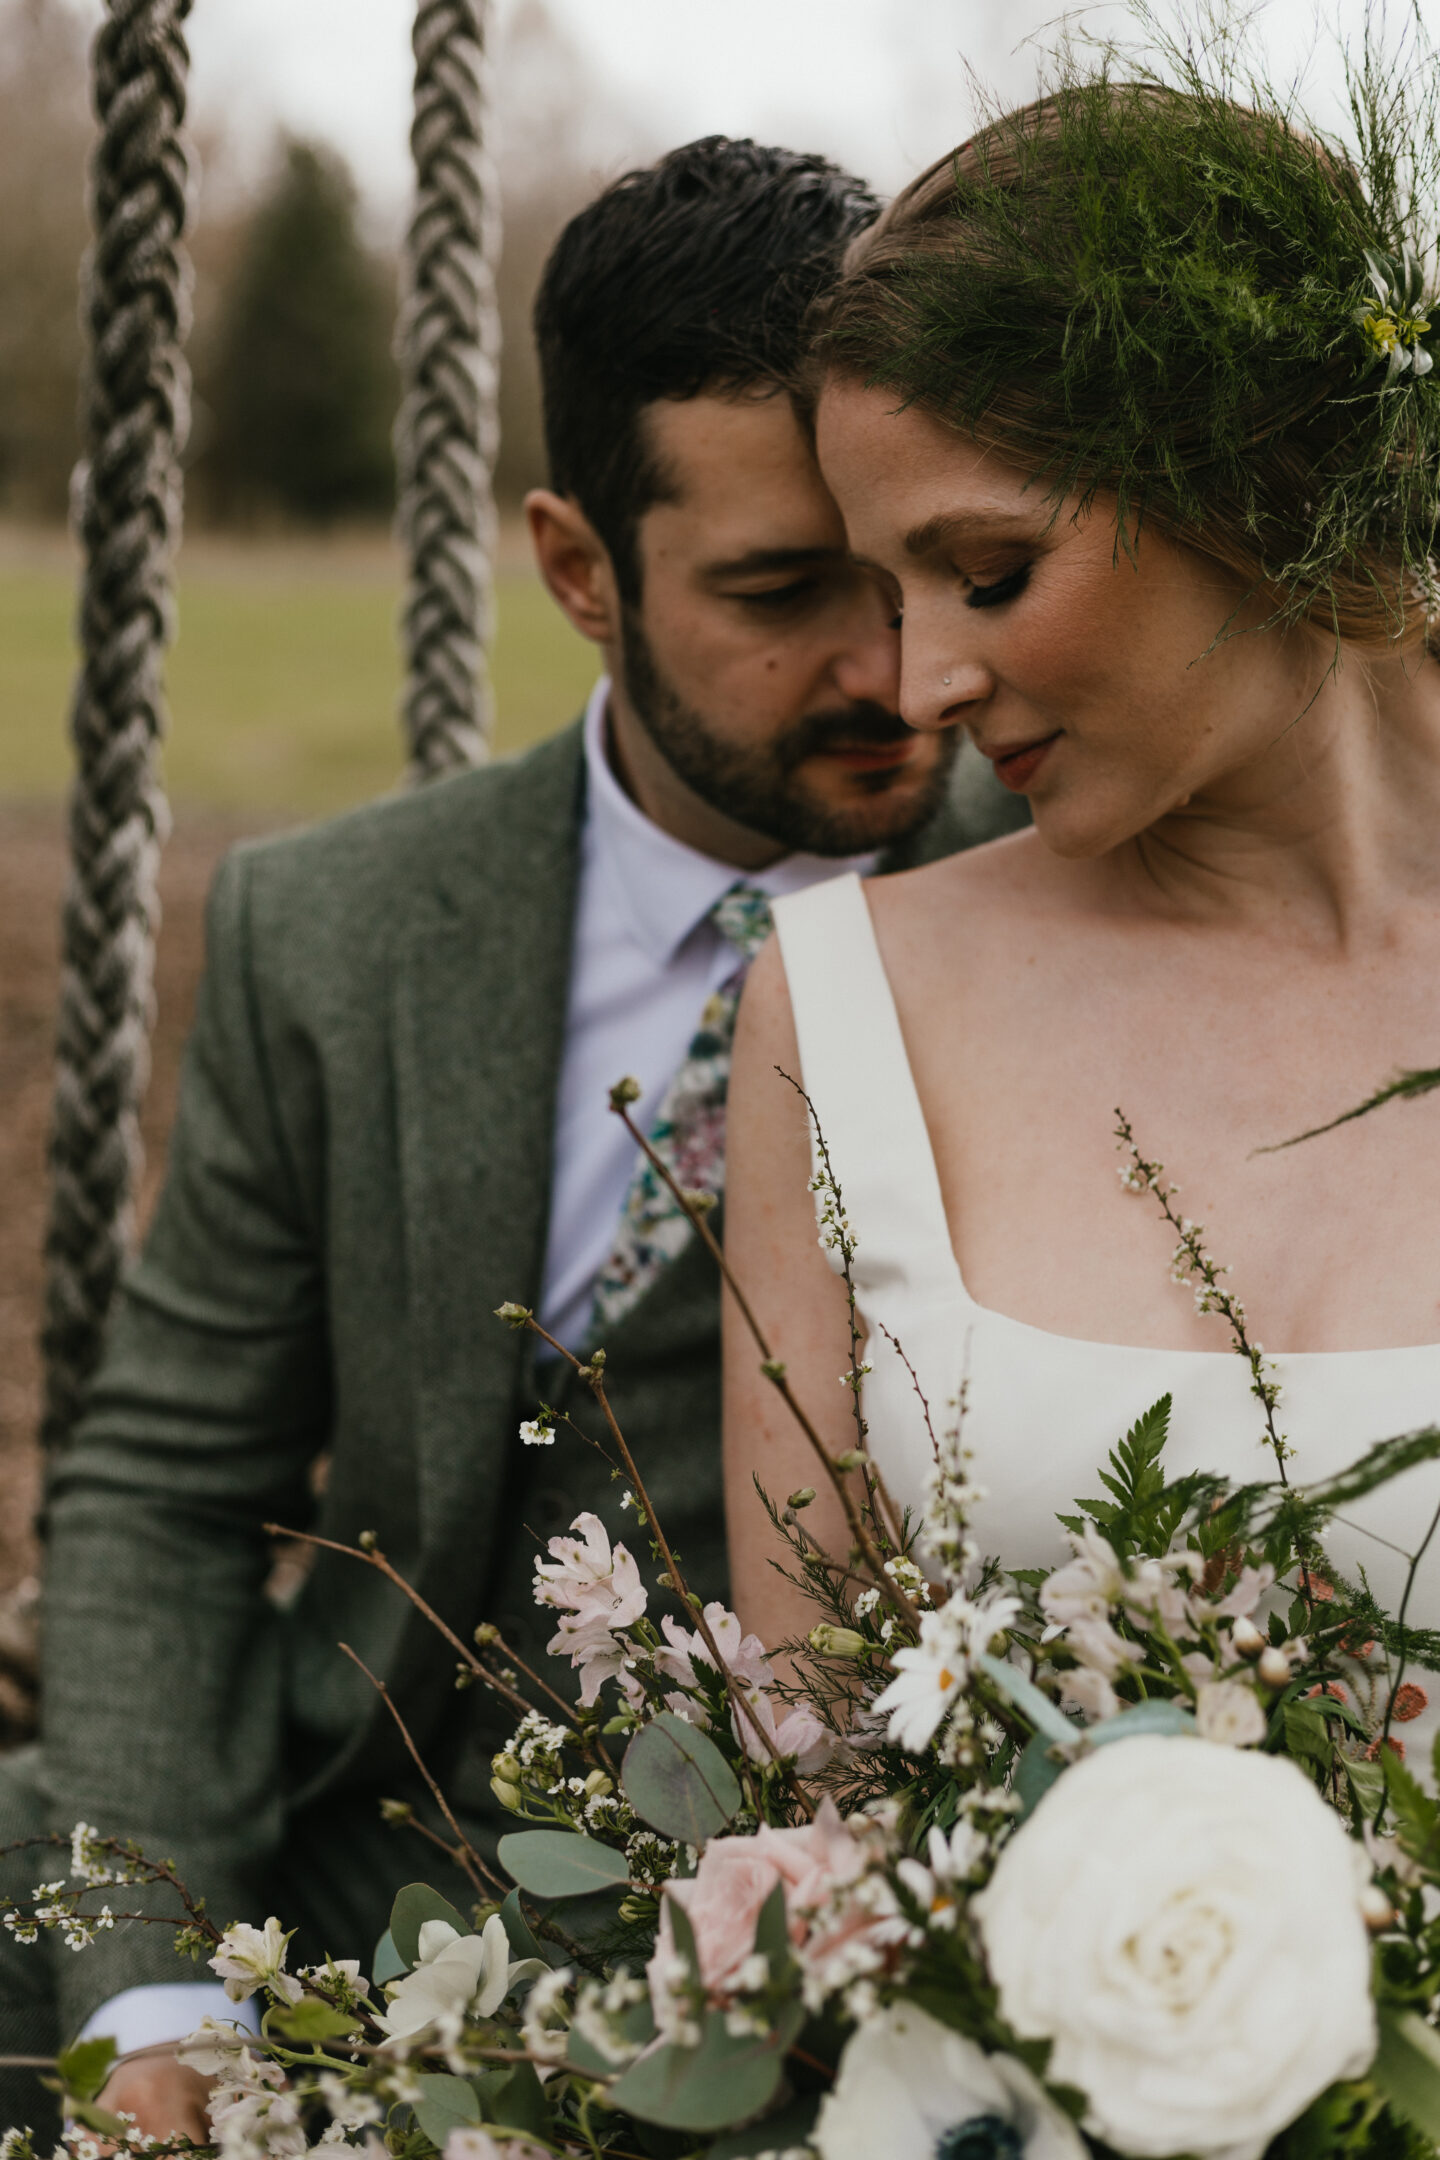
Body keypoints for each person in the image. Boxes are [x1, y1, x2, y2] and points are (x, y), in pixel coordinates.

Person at [0, 137, 1024, 2136]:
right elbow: (162, 1487)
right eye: (779, 591)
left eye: (915, 569)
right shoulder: (342, 930)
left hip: (816, 1941)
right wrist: (149, 2018)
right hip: (345, 1843)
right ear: (577, 570)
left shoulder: (1083, 900)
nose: (894, 669)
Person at [724, 82, 1440, 1660]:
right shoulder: (844, 1014)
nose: (923, 690)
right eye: (892, 596)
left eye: (987, 573)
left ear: (1259, 476)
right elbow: (803, 1780)